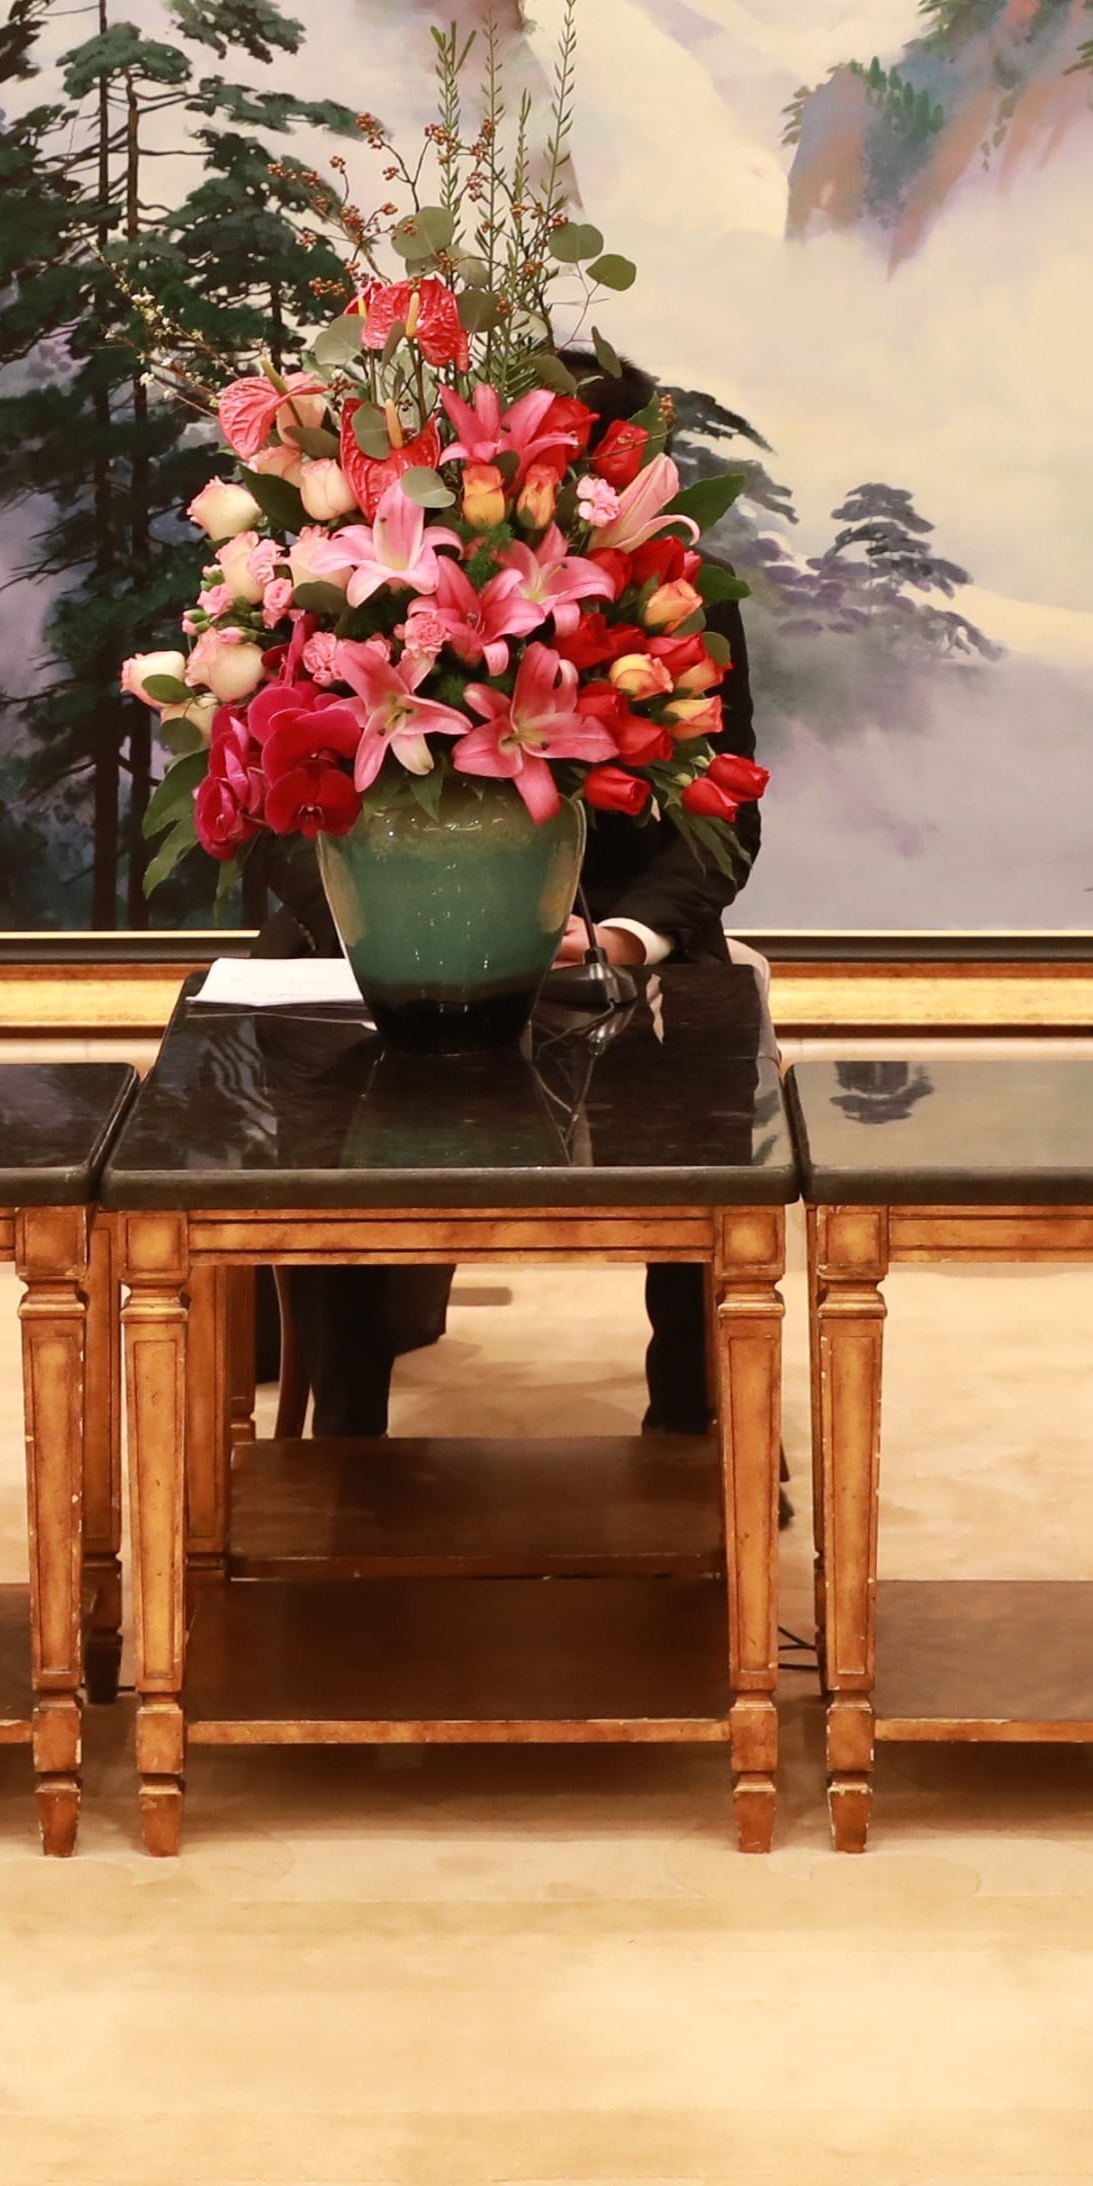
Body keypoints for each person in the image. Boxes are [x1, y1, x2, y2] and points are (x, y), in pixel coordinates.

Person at [251, 362, 763, 1438]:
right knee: (318, 1096)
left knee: (699, 1108)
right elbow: (283, 795)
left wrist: (619, 936)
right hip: (384, 912)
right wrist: (382, 920)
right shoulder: (343, 575)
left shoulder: (681, 588)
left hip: (608, 927)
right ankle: (344, 1437)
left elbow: (720, 818)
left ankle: (696, 1424)